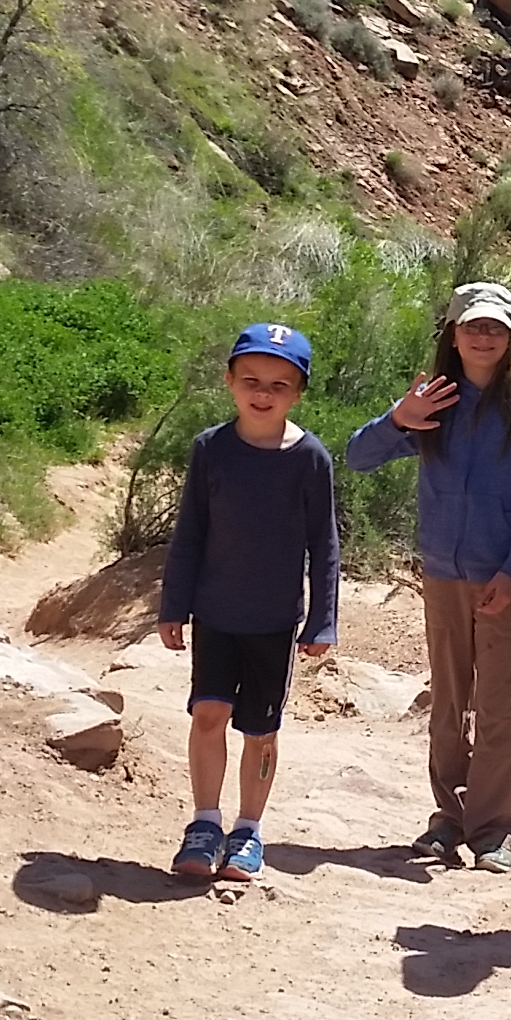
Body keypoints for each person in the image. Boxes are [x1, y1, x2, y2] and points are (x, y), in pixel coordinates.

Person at [344, 280, 511, 874]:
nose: (483, 336)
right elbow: (359, 456)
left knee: (497, 707)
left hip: (502, 580)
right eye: (472, 325)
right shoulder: (434, 399)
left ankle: (495, 826)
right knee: (447, 701)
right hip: (442, 573)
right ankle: (448, 817)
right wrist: (399, 419)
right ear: (453, 333)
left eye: (494, 326)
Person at [158, 321, 340, 885]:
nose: (264, 393)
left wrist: (323, 618)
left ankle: (248, 830)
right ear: (230, 382)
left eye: (280, 385)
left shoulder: (310, 459)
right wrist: (174, 605)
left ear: (299, 392)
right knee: (208, 712)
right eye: (252, 380)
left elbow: (324, 542)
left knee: (260, 729)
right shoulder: (211, 449)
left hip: (273, 620)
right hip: (216, 611)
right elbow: (190, 532)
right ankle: (205, 824)